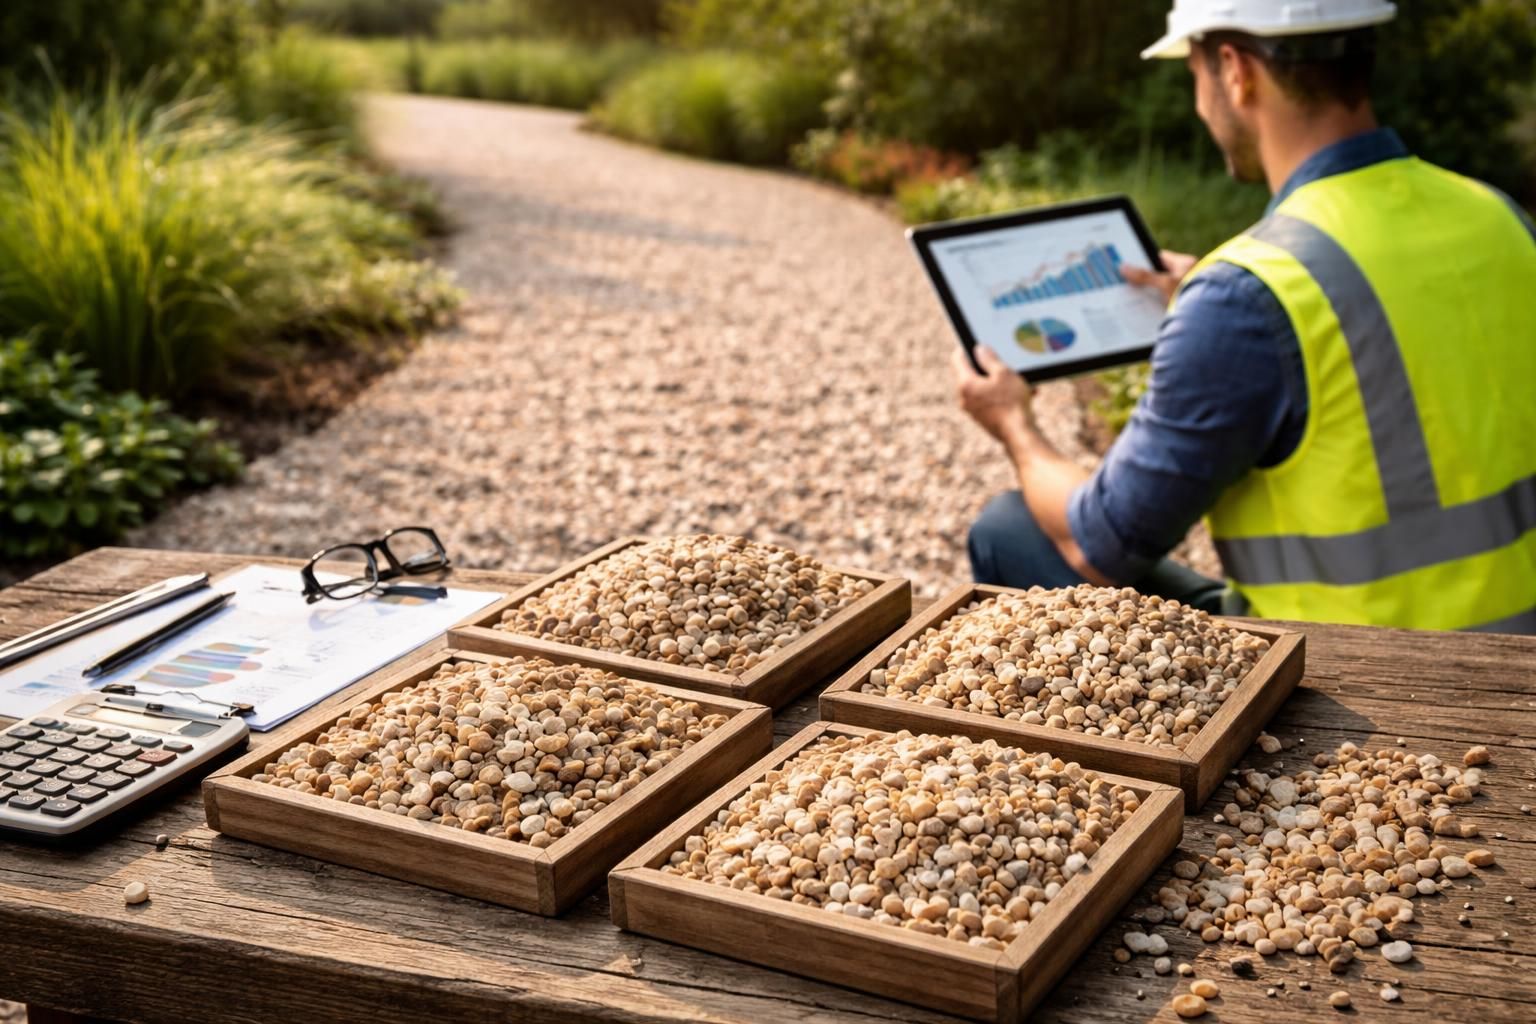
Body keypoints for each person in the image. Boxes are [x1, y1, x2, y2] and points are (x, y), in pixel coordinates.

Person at [954, 0, 1536, 633]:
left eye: (1195, 74)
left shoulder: (1246, 298)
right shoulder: (1501, 218)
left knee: (1010, 528)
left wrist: (1013, 422)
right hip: (1517, 645)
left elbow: (1098, 544)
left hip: (1360, 685)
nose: (1201, 104)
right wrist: (1230, 302)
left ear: (1235, 71)